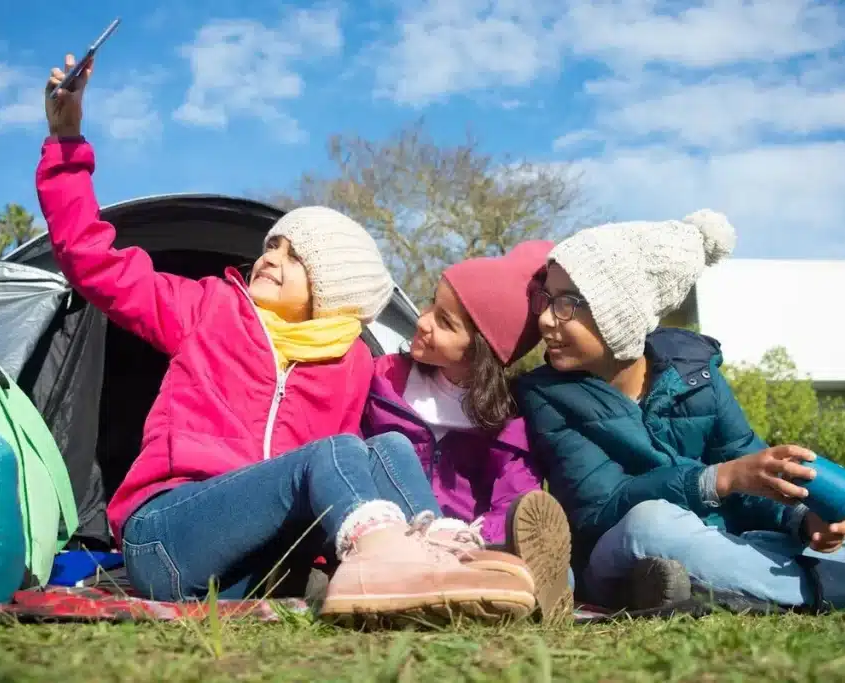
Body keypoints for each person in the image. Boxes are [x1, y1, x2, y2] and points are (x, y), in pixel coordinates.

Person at [39, 54, 535, 623]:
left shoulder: (352, 362)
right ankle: (383, 565)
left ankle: (445, 563)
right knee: (330, 452)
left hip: (259, 562)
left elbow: (427, 408)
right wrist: (67, 143)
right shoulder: (209, 310)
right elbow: (93, 262)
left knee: (389, 447)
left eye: (295, 256)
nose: (270, 256)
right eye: (272, 245)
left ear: (330, 289)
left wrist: (484, 351)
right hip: (169, 536)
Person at [513, 210, 845, 613]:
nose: (547, 320)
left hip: (721, 539)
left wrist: (805, 520)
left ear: (620, 317)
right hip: (618, 548)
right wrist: (718, 479)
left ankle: (724, 588)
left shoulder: (696, 374)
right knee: (652, 524)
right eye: (547, 300)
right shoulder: (548, 397)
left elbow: (752, 464)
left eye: (567, 303)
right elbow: (601, 509)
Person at [363, 242, 574, 619]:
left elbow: (513, 501)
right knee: (389, 447)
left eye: (445, 322)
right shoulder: (382, 379)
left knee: (558, 573)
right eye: (430, 304)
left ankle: (518, 591)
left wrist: (481, 538)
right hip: (388, 536)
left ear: (481, 353)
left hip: (463, 544)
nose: (423, 320)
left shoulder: (505, 421)